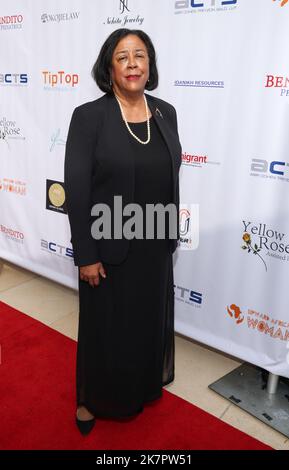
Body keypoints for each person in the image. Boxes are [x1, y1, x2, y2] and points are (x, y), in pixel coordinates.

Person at [64, 28, 182, 435]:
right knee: (104, 328)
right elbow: (76, 191)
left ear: (150, 65)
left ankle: (141, 387)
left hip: (154, 245)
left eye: (140, 55)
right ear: (109, 67)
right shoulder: (89, 116)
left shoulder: (166, 111)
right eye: (122, 56)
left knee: (146, 323)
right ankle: (90, 398)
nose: (133, 63)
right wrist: (86, 255)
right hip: (108, 246)